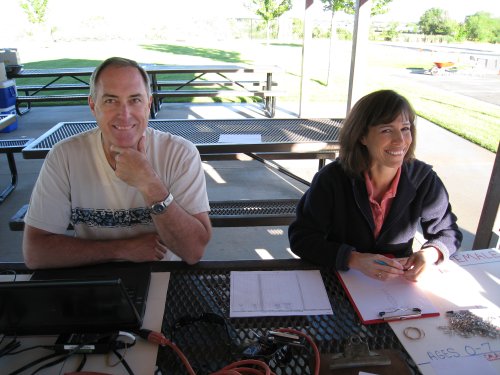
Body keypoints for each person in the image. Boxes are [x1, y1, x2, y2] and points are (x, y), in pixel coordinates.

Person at [23, 57, 212, 269]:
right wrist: (122, 249)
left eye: (135, 100)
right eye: (111, 101)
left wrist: (150, 184)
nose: (124, 114)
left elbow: (194, 251)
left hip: (166, 274)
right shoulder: (64, 156)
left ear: (148, 104)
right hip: (94, 279)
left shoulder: (180, 154)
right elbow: (35, 253)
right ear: (93, 106)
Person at [288, 89, 462, 282]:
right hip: (340, 280)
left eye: (405, 129)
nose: (400, 140)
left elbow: (448, 233)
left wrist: (429, 254)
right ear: (362, 136)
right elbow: (302, 238)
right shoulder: (332, 179)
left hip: (396, 286)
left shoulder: (424, 179)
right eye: (386, 130)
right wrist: (353, 259)